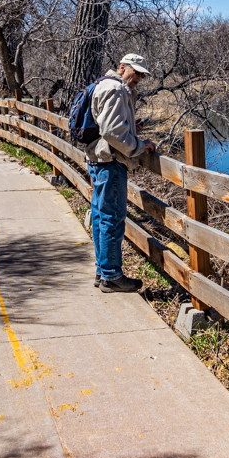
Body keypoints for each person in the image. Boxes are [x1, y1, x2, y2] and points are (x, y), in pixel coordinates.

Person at [86, 54, 157, 292]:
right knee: (111, 219)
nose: (138, 78)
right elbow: (111, 132)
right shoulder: (116, 89)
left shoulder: (105, 85)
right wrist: (139, 145)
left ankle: (103, 271)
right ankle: (111, 276)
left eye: (141, 75)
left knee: (101, 217)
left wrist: (131, 129)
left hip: (100, 158)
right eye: (135, 72)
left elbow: (107, 126)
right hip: (111, 161)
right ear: (122, 67)